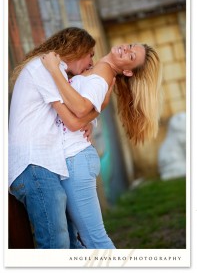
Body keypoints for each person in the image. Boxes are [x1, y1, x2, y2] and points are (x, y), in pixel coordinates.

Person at [40, 42, 162, 248]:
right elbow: (90, 111)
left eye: (131, 56)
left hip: (76, 160)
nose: (125, 49)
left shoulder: (103, 75)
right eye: (130, 46)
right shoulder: (100, 72)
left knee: (95, 241)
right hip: (74, 159)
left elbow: (79, 111)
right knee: (79, 242)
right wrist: (90, 120)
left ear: (127, 71)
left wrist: (53, 72)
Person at [8, 27, 114, 249]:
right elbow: (74, 119)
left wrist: (90, 119)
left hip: (45, 166)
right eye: (90, 54)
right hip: (33, 164)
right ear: (77, 48)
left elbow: (77, 113)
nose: (91, 63)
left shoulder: (53, 69)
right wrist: (89, 117)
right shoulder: (45, 67)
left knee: (71, 244)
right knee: (56, 244)